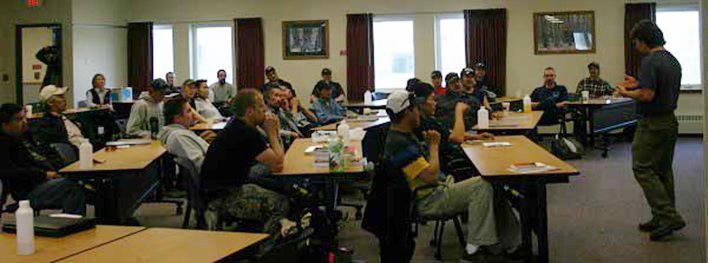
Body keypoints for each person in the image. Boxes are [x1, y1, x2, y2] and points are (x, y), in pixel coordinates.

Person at [383, 90, 521, 262]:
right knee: (482, 185)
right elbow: (431, 176)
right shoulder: (399, 144)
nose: (419, 112)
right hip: (430, 198)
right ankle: (473, 250)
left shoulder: (401, 135)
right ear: (408, 112)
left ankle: (513, 244)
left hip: (438, 188)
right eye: (416, 109)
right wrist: (433, 147)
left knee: (493, 185)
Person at [616, 20, 685, 241]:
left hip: (652, 124)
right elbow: (656, 85)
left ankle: (669, 215)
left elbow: (647, 96)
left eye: (636, 42)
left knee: (642, 168)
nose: (635, 47)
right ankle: (662, 218)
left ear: (644, 41)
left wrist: (626, 93)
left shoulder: (649, 61)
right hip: (669, 122)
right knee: (662, 170)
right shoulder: (672, 60)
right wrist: (638, 82)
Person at [200, 89, 291, 250]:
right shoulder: (245, 132)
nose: (266, 113)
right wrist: (272, 132)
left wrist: (274, 133)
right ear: (250, 111)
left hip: (223, 186)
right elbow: (278, 164)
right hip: (223, 197)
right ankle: (263, 251)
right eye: (262, 109)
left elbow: (275, 158)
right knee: (281, 203)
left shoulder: (238, 125)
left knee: (275, 185)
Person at [0, 103, 87, 215]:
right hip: (28, 190)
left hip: (44, 180)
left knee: (86, 187)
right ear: (5, 125)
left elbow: (46, 155)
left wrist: (59, 170)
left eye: (24, 117)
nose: (25, 122)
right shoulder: (4, 144)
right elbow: (10, 172)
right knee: (71, 188)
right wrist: (44, 175)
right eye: (19, 119)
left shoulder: (26, 136)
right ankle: (73, 225)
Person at [411, 82, 493, 181]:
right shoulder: (424, 124)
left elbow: (449, 133)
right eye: (432, 99)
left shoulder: (429, 120)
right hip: (448, 169)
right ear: (421, 103)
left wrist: (476, 137)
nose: (435, 103)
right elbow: (457, 138)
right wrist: (459, 112)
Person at [159, 97, 214, 174]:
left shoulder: (181, 133)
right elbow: (203, 167)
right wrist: (217, 147)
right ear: (177, 118)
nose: (194, 114)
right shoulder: (179, 137)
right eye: (189, 111)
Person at [33, 85, 86, 150]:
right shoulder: (48, 124)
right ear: (50, 102)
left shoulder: (63, 117)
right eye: (60, 97)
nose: (64, 99)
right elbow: (65, 147)